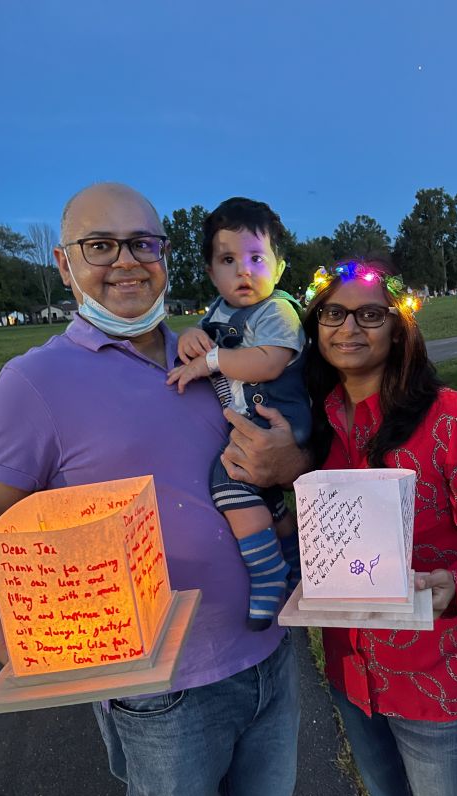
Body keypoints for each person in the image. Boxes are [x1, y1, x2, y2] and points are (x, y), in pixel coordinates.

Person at [0, 183, 305, 796]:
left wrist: (291, 463)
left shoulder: (211, 351)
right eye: (100, 246)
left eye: (142, 242)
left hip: (273, 652)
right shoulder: (32, 383)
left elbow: (283, 456)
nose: (126, 261)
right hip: (161, 693)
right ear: (64, 263)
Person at [297, 259, 457, 796]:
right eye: (334, 312)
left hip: (441, 679)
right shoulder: (315, 425)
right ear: (316, 325)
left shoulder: (456, 421)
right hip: (352, 674)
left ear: (400, 326)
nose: (349, 328)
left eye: (371, 314)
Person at [166, 197, 310, 630]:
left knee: (226, 478)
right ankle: (291, 560)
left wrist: (209, 363)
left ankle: (265, 574)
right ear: (212, 272)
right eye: (228, 259)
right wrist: (192, 335)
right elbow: (209, 334)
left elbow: (268, 362)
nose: (243, 271)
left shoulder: (277, 310)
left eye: (256, 258)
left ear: (279, 268)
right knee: (262, 495)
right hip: (254, 420)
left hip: (279, 418)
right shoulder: (221, 310)